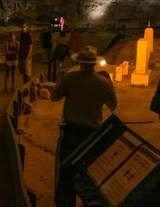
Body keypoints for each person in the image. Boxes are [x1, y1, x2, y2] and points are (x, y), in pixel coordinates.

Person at [51, 46, 117, 207]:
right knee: (89, 175)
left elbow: (54, 96)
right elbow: (113, 105)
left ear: (79, 63)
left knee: (66, 173)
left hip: (71, 132)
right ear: (94, 64)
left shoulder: (71, 78)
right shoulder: (103, 82)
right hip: (93, 135)